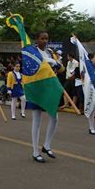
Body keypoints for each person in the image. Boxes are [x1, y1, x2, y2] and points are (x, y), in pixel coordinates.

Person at [29, 32, 63, 162]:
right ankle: (35, 151)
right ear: (36, 40)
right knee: (36, 119)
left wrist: (57, 64)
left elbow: (61, 68)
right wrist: (46, 62)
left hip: (49, 88)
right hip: (37, 87)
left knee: (54, 117)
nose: (44, 41)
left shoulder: (50, 52)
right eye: (42, 38)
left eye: (46, 38)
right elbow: (31, 66)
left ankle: (47, 145)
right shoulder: (32, 51)